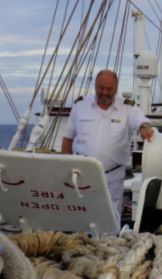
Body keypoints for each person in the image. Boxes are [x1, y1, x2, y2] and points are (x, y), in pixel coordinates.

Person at [62, 70, 155, 219]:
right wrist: (65, 168)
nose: (104, 92)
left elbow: (140, 121)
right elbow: (68, 139)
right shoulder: (80, 105)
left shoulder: (127, 107)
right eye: (101, 88)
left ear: (116, 88)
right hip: (82, 175)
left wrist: (144, 128)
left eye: (109, 89)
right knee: (82, 218)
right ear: (95, 86)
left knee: (111, 218)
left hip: (112, 176)